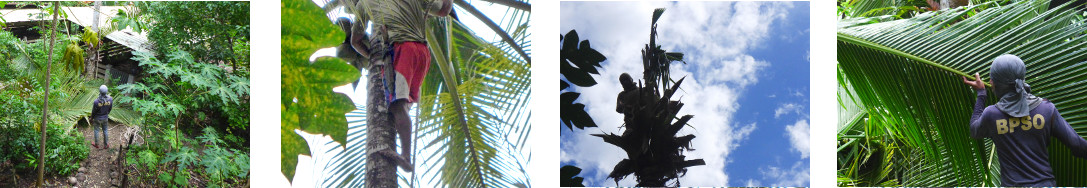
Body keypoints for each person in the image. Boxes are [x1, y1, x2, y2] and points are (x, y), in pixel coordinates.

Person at [343, 0, 453, 172]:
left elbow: (355, 40)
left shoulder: (364, 3)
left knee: (397, 106)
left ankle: (406, 158)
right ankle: (404, 140)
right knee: (404, 104)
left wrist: (371, 55)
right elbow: (444, 10)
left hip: (403, 50)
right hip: (423, 54)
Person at [962, 54, 1087, 186]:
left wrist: (981, 94)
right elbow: (1077, 144)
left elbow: (974, 131)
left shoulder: (992, 114)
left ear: (995, 83)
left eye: (992, 79)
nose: (990, 82)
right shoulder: (1046, 109)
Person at [91, 85, 113, 149]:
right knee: (105, 130)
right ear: (107, 91)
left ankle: (96, 144)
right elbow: (110, 108)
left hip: (97, 118)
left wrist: (91, 118)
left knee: (96, 130)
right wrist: (106, 113)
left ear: (99, 91)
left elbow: (93, 111)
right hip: (105, 117)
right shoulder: (110, 99)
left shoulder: (96, 101)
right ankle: (106, 145)